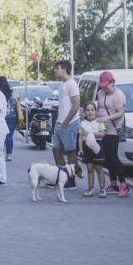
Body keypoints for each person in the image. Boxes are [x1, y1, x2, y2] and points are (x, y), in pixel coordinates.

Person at [96, 70, 128, 197]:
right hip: (103, 129)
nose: (105, 88)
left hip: (114, 129)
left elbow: (120, 113)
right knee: (107, 158)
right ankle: (113, 182)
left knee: (114, 158)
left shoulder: (118, 95)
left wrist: (107, 119)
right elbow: (100, 108)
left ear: (113, 82)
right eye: (103, 85)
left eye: (107, 85)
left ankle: (123, 184)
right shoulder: (100, 93)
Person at [52, 60, 80, 189]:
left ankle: (71, 180)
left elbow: (76, 105)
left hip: (69, 124)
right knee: (56, 150)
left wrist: (67, 121)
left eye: (56, 68)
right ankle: (62, 176)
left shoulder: (72, 84)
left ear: (63, 68)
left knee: (70, 152)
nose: (55, 71)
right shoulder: (62, 84)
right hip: (59, 123)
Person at [77, 102, 106, 197]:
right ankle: (90, 188)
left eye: (92, 110)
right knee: (89, 168)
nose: (90, 112)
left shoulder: (99, 122)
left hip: (97, 146)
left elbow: (102, 134)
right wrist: (80, 149)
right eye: (87, 110)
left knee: (99, 168)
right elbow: (80, 137)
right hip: (87, 147)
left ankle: (102, 189)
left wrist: (90, 133)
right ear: (84, 112)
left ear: (96, 111)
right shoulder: (82, 124)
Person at [3, 86, 20, 161]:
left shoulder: (1, 95)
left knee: (2, 136)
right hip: (13, 117)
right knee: (9, 136)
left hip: (4, 118)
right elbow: (18, 102)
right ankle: (9, 154)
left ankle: (1, 153)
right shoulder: (14, 93)